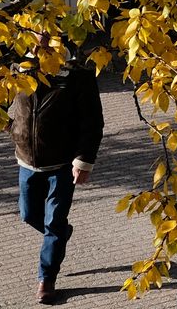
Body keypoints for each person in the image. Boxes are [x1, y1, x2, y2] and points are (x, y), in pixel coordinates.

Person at [10, 56, 105, 305]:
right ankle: (60, 234)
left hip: (62, 163)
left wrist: (83, 160)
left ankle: (46, 280)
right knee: (29, 214)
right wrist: (13, 129)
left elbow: (92, 122)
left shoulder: (77, 74)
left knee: (53, 222)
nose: (42, 35)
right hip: (26, 160)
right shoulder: (17, 66)